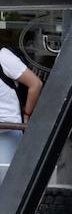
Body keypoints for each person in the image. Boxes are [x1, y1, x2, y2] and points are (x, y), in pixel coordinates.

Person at [0, 45, 42, 182]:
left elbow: (35, 84)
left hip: (7, 132)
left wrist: (27, 113)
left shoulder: (3, 57)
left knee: (7, 184)